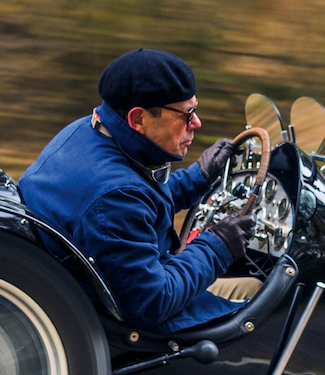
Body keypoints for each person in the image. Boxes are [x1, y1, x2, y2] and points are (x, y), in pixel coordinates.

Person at [18, 49, 257, 334]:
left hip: (95, 293)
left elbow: (139, 204)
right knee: (263, 297)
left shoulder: (87, 131)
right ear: (138, 119)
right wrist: (217, 247)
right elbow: (152, 303)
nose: (197, 123)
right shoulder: (113, 198)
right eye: (187, 114)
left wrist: (199, 177)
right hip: (135, 326)